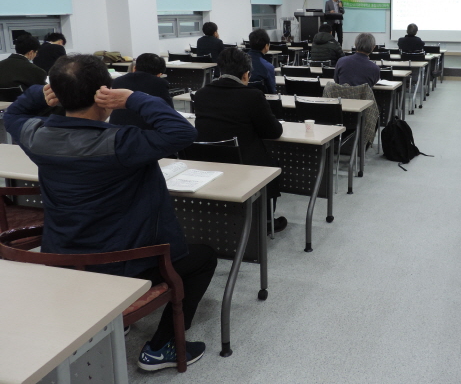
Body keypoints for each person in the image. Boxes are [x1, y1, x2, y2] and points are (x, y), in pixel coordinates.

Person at [4, 54, 216, 372]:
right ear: (105, 94)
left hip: (63, 259)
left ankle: (117, 319)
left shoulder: (37, 137)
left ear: (57, 94)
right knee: (204, 258)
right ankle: (164, 347)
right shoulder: (120, 143)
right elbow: (182, 132)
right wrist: (134, 99)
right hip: (120, 265)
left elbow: (13, 114)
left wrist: (39, 93)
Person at [192, 48, 287, 233]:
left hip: (207, 159)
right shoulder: (252, 95)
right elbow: (274, 131)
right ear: (246, 74)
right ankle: (267, 221)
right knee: (271, 163)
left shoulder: (202, 94)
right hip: (244, 163)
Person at [109, 53, 172, 129]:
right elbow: (169, 110)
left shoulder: (117, 81)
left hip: (116, 129)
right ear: (159, 74)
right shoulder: (160, 83)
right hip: (146, 129)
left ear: (134, 68)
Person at [247, 28, 277, 93]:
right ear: (266, 46)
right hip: (261, 98)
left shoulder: (238, 61)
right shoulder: (268, 67)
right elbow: (272, 92)